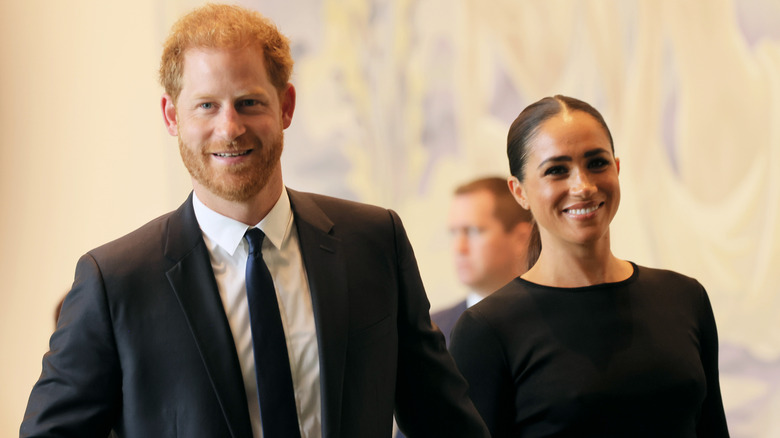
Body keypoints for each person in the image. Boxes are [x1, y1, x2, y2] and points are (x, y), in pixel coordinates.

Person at [20, 5, 489, 438]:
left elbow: (445, 422)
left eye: (249, 102)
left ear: (285, 105)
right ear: (171, 116)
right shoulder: (116, 282)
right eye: (206, 105)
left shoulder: (373, 241)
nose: (230, 128)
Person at [449, 95, 730, 437]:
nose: (582, 186)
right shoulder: (488, 329)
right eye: (556, 170)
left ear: (617, 168)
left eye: (597, 163)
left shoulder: (684, 298)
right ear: (519, 191)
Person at [438, 176, 533, 345]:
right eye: (454, 233)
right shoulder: (431, 334)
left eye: (473, 231)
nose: (459, 248)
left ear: (522, 238)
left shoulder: (555, 321)